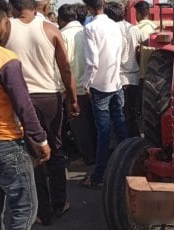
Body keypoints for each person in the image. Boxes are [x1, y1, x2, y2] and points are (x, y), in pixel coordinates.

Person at [6, 0, 80, 225]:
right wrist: (73, 99)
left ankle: (41, 210)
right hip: (50, 98)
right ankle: (60, 203)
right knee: (55, 151)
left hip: (20, 100)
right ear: (35, 6)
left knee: (33, 154)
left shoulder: (5, 29)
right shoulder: (50, 29)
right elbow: (65, 68)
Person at [0, 0, 51, 230]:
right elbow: (23, 105)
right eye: (6, 23)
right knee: (24, 207)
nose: (8, 28)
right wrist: (40, 139)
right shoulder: (4, 58)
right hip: (4, 142)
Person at [80, 0, 128, 189]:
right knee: (120, 125)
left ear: (89, 8)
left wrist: (87, 85)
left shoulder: (90, 28)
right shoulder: (116, 26)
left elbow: (92, 62)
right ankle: (128, 165)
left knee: (104, 132)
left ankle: (99, 175)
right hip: (115, 82)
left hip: (100, 86)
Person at [58, 3, 97, 166]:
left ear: (60, 19)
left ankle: (88, 157)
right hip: (91, 86)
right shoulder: (86, 31)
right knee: (92, 124)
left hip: (73, 89)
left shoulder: (61, 35)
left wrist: (63, 90)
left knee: (79, 127)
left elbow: (62, 66)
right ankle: (94, 154)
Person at [105, 1, 143, 137]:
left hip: (117, 78)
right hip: (134, 77)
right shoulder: (134, 29)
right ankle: (135, 140)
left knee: (117, 115)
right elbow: (142, 50)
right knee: (131, 113)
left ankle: (123, 144)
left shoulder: (111, 31)